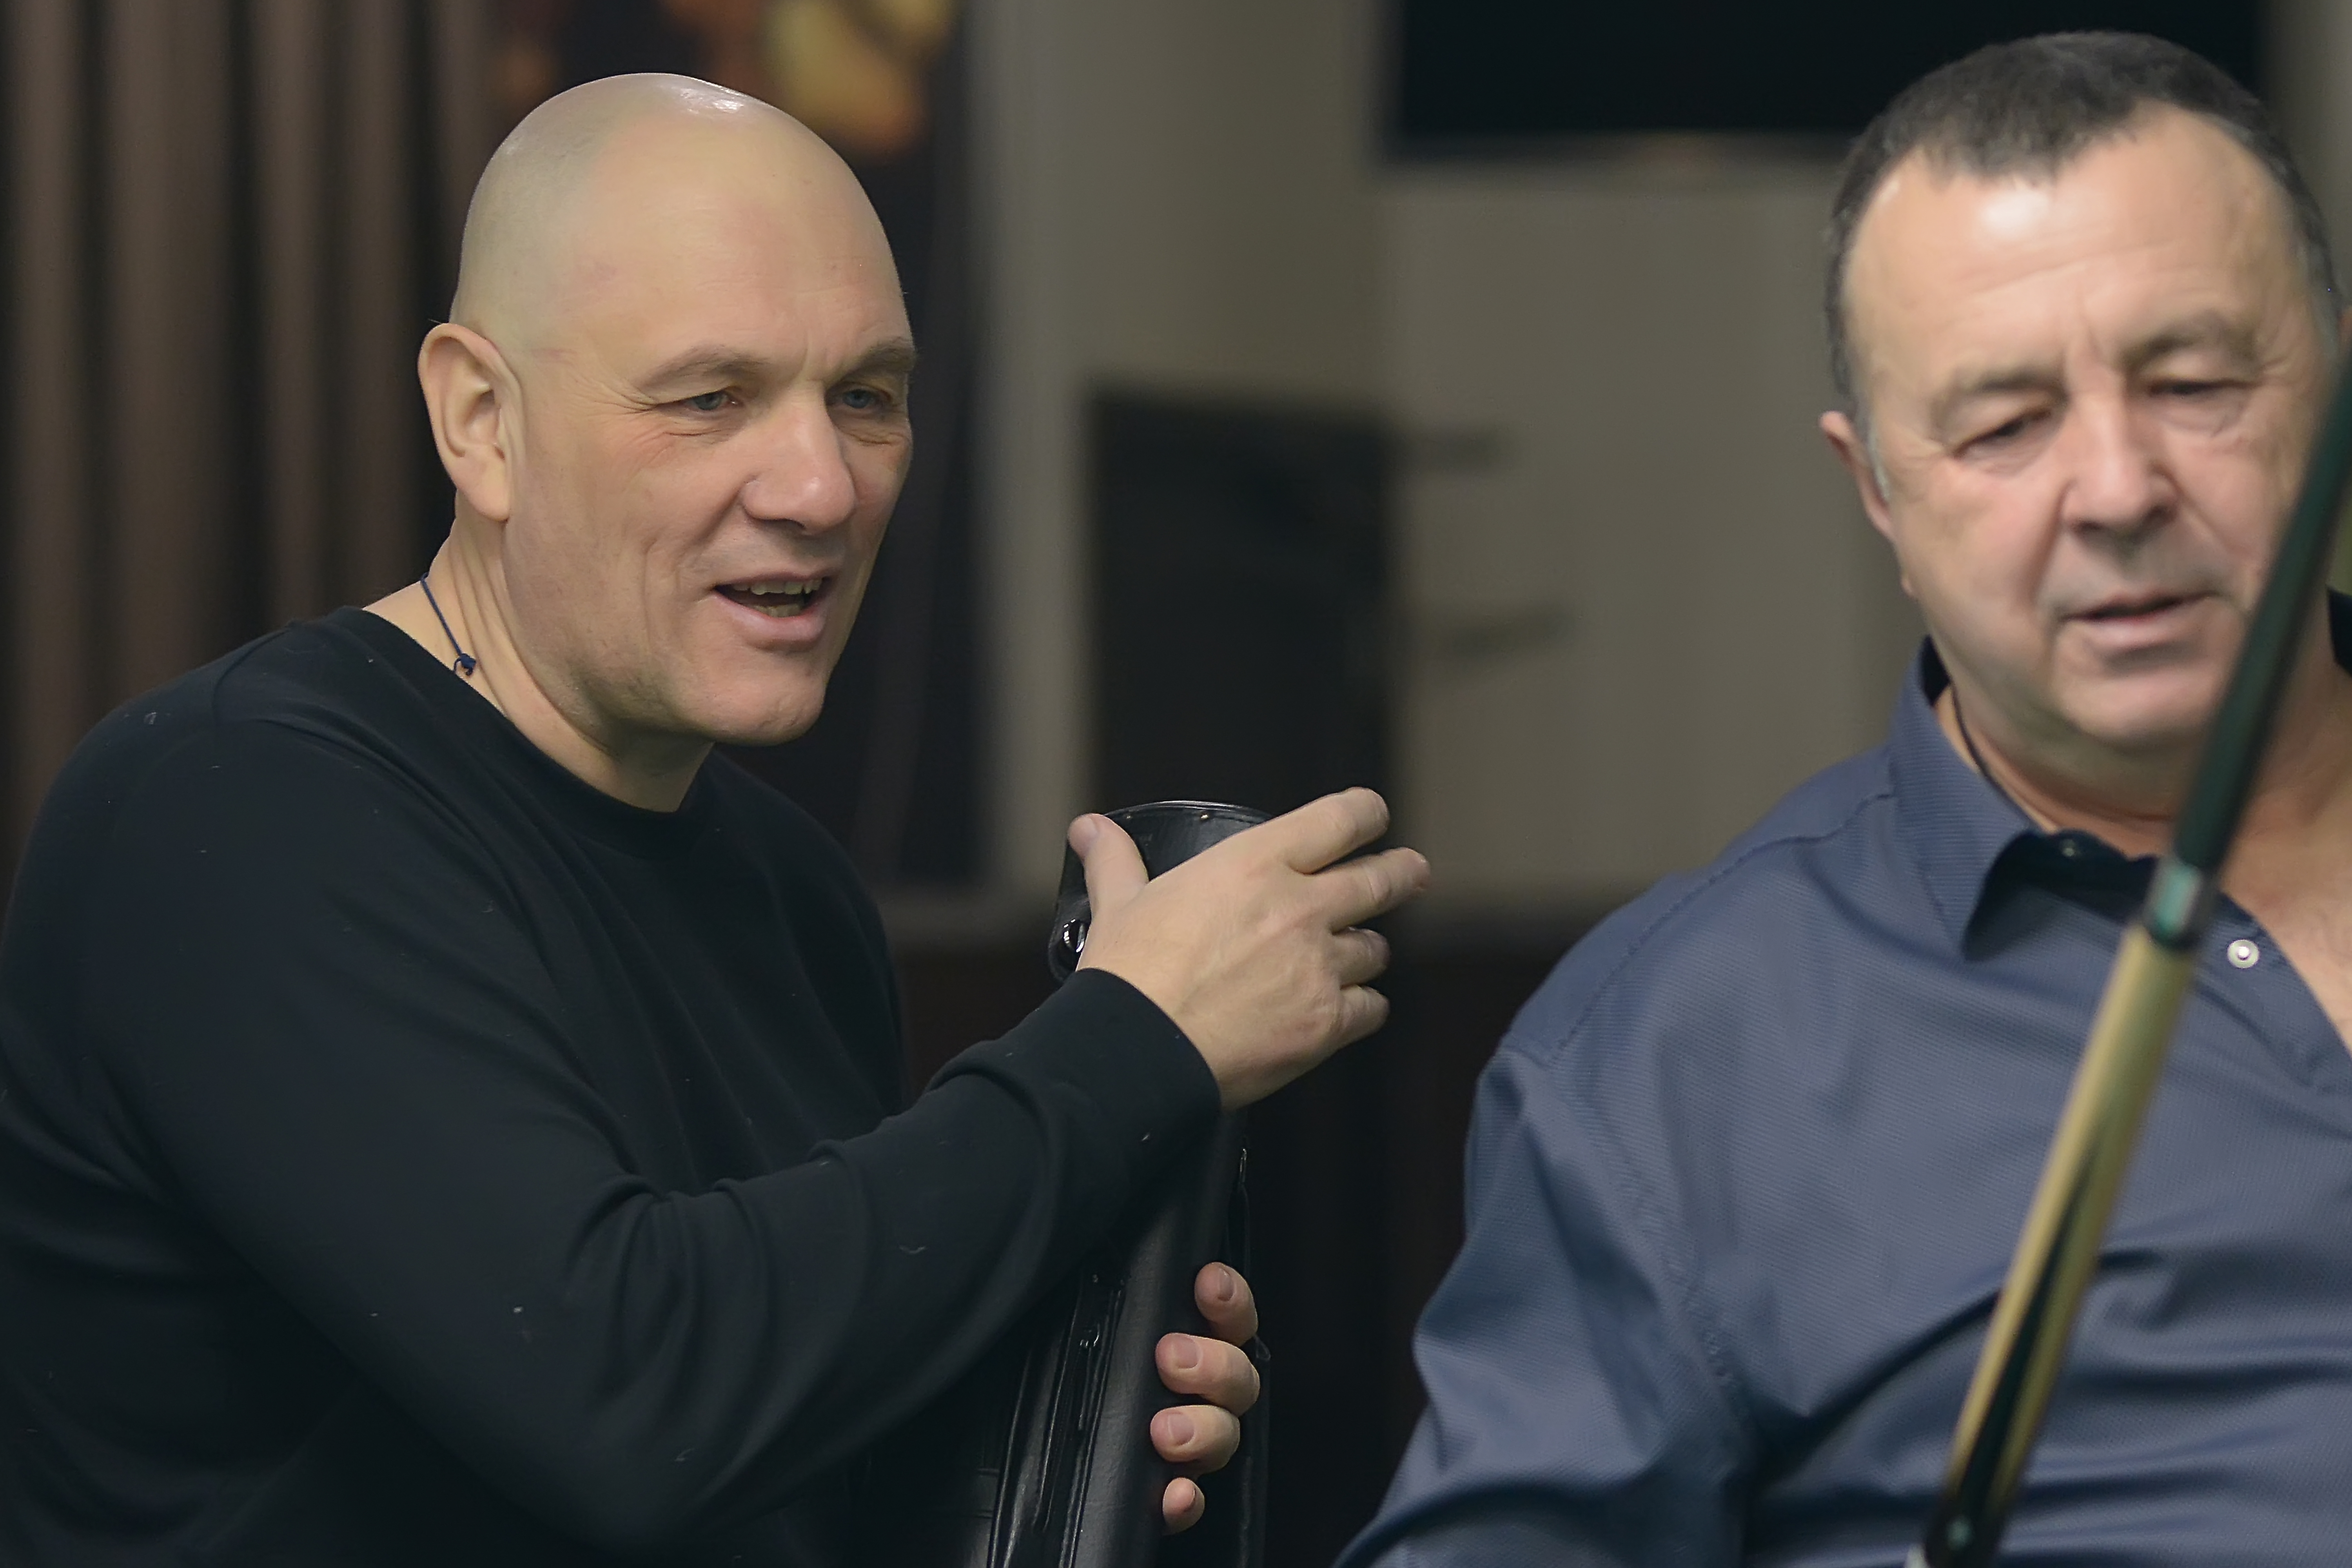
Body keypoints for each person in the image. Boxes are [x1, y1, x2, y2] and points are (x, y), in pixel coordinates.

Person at [0, 76, 1428, 1566]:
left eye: (866, 397)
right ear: (482, 422)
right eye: (710, 399)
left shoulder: (795, 896)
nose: (820, 486)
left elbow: (776, 1467)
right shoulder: (234, 806)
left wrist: (1063, 1408)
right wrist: (1136, 1042)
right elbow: (626, 1397)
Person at [1343, 31, 2352, 1567]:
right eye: (2005, 425)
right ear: (1876, 487)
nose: (2119, 488)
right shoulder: (1673, 1056)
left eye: (2195, 382)